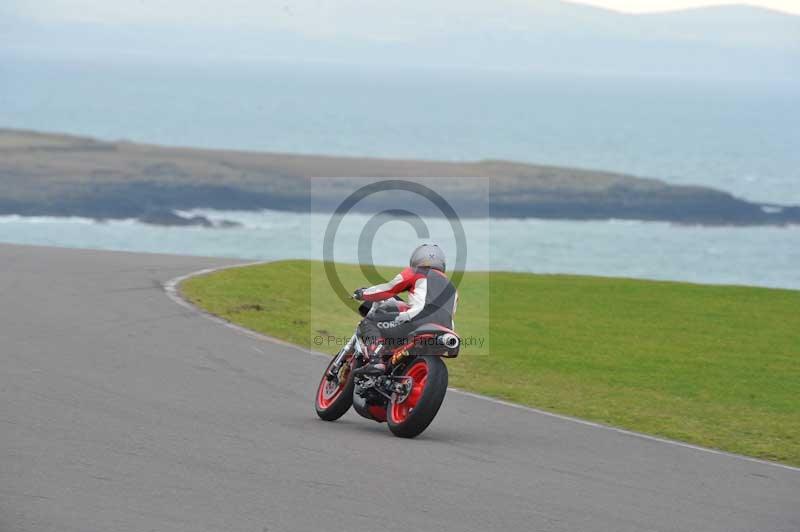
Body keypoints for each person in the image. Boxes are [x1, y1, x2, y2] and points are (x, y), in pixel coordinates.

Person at [351, 243, 458, 375]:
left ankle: (375, 361)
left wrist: (363, 293)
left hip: (416, 322)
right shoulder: (453, 288)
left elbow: (389, 289)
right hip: (445, 330)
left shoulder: (416, 272)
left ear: (417, 258)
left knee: (369, 322)